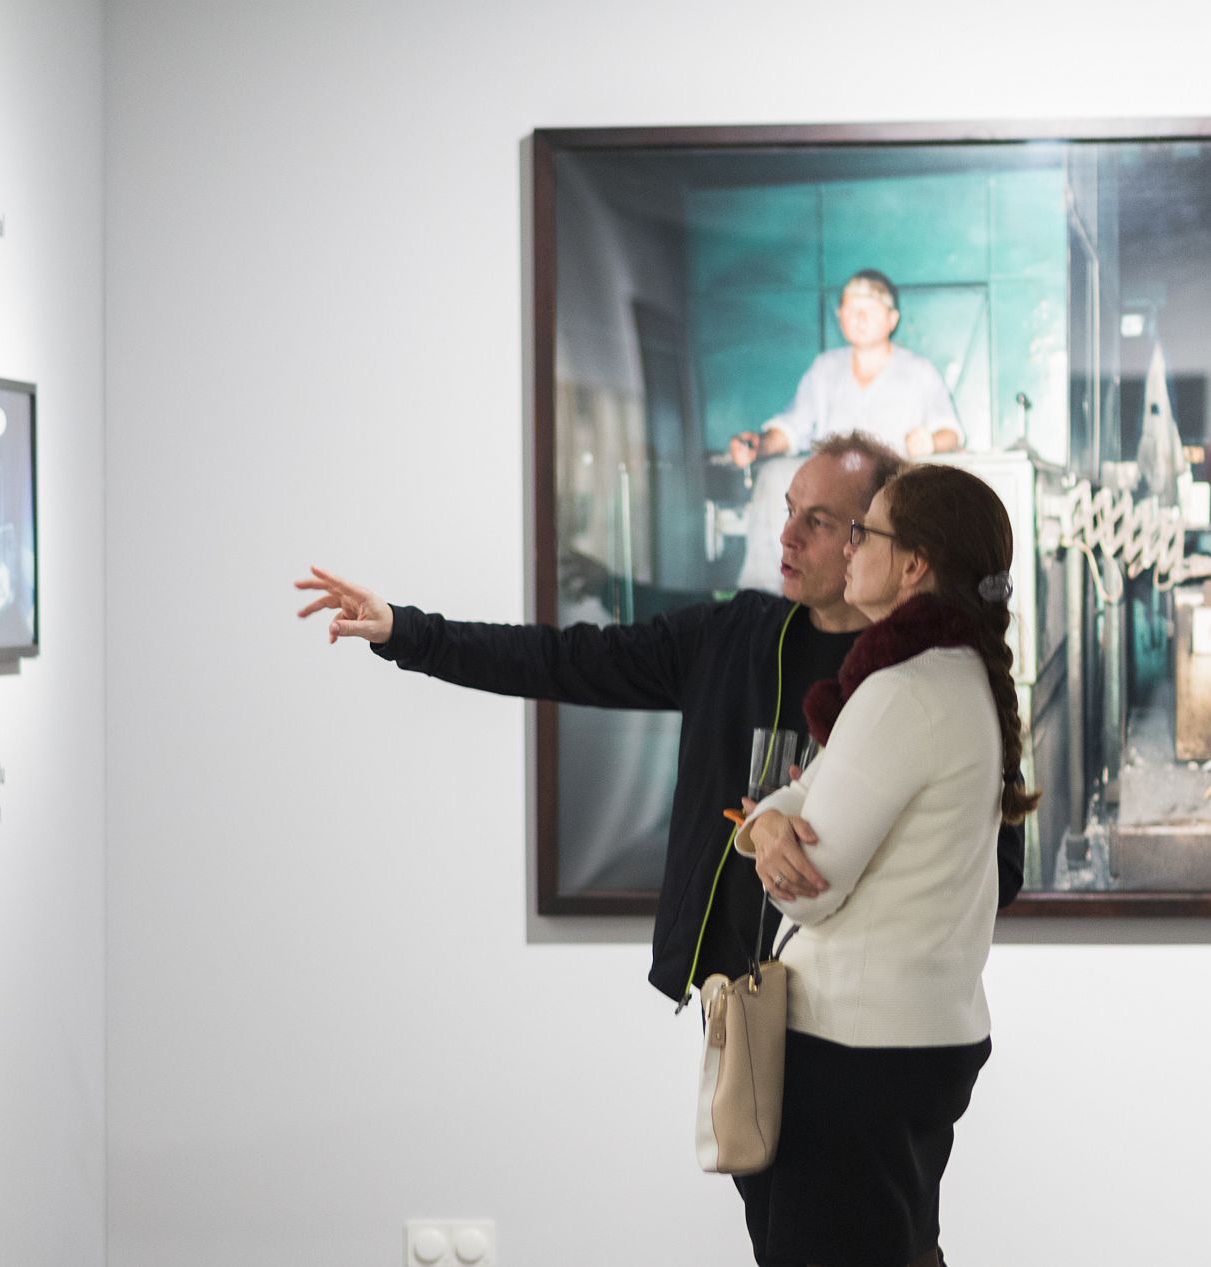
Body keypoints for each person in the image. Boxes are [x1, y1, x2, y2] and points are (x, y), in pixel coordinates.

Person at [294, 432, 1024, 1007]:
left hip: (856, 1018)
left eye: (822, 521)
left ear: (880, 543)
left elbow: (994, 867)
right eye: (789, 510)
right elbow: (562, 659)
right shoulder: (735, 637)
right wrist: (406, 631)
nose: (787, 537)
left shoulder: (926, 682)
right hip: (742, 1001)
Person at [731, 463, 1034, 1267]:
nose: (848, 546)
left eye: (864, 530)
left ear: (914, 564)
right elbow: (798, 806)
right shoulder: (952, 674)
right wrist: (769, 825)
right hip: (913, 1038)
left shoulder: (902, 689)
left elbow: (812, 888)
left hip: (855, 1050)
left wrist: (771, 832)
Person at [729, 270, 964, 466]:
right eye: (851, 311)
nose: (860, 319)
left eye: (870, 310)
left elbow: (950, 434)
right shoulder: (824, 369)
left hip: (895, 502)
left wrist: (930, 443)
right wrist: (758, 445)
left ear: (892, 319)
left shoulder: (919, 371)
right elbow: (792, 427)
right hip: (833, 502)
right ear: (839, 316)